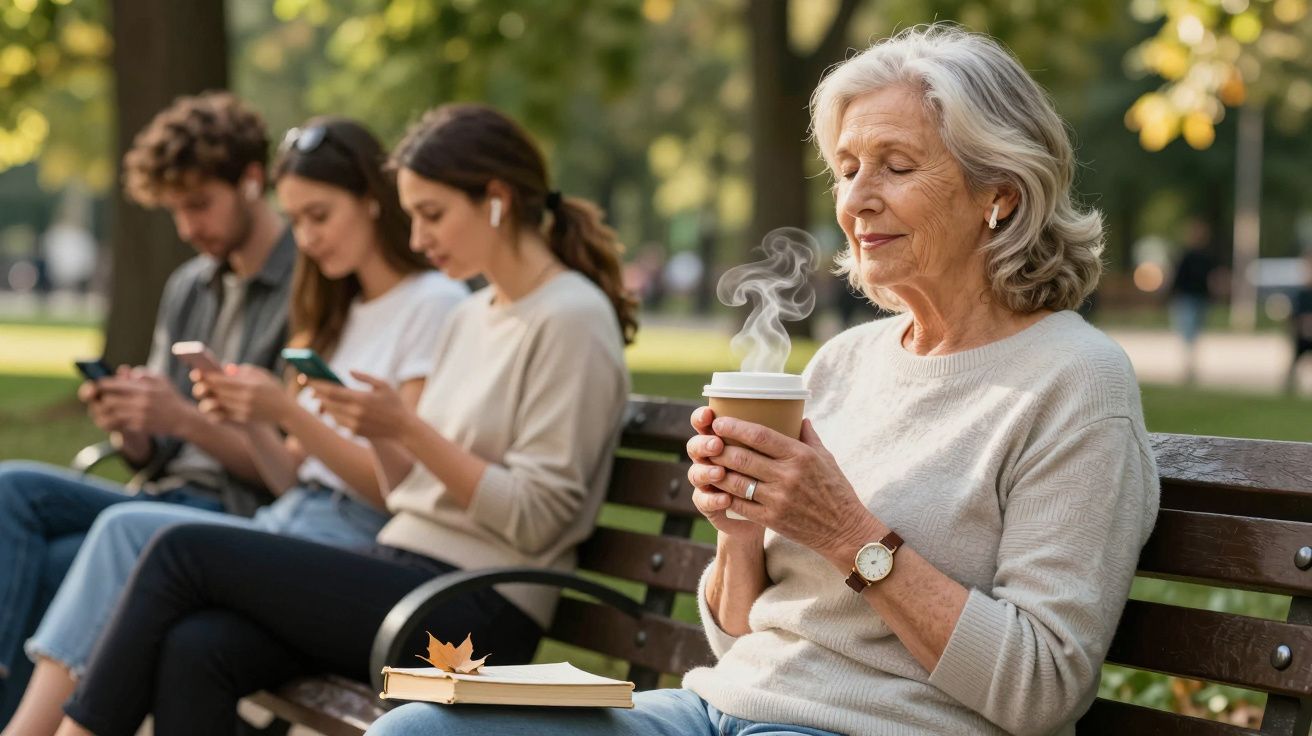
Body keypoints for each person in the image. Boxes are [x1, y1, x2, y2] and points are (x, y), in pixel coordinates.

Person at [369, 24, 1160, 736]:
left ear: (1001, 195)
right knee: (418, 731)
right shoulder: (845, 361)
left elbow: (1045, 687)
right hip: (717, 710)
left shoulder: (1075, 381)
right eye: (847, 168)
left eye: (896, 165)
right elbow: (742, 634)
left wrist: (849, 535)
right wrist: (740, 531)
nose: (856, 200)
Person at [49, 103, 636, 736]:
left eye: (432, 215)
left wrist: (406, 429)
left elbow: (538, 518)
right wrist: (381, 430)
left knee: (179, 550)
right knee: (200, 645)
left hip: (476, 612)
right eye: (412, 216)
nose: (416, 239)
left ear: (495, 198)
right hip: (406, 572)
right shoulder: (474, 315)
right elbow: (407, 489)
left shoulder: (571, 318)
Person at [1, 117, 468, 736]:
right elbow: (292, 475)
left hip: (353, 545)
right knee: (49, 516)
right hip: (293, 518)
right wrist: (249, 422)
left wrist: (284, 412)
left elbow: (399, 488)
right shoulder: (343, 308)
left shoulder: (432, 304)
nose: (307, 238)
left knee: (121, 531)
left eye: (319, 217)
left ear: (371, 202)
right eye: (297, 220)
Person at [0, 91, 294, 721]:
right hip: (163, 500)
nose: (188, 228)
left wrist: (182, 419)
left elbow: (288, 470)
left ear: (251, 180)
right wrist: (132, 425)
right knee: (11, 490)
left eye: (199, 205)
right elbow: (158, 450)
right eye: (174, 211)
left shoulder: (306, 285)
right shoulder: (191, 284)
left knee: (44, 547)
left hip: (238, 516)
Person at [1168, 219, 1215, 384]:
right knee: (1187, 331)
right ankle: (1188, 365)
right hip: (1186, 298)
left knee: (1195, 332)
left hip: (1200, 298)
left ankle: (1191, 364)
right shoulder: (1186, 256)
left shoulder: (1207, 257)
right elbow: (1178, 278)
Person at [1287, 251, 1312, 394]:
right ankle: (1290, 384)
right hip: (1302, 334)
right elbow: (1294, 315)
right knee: (1296, 358)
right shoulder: (1301, 293)